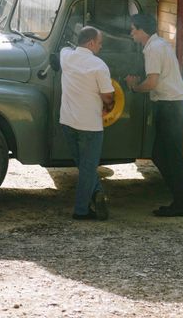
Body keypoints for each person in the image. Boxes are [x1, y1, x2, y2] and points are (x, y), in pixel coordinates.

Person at [125, 13, 183, 217]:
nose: (131, 33)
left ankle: (181, 203)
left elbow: (152, 83)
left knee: (169, 157)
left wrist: (134, 88)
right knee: (166, 155)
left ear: (141, 31)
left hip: (170, 106)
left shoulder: (153, 49)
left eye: (133, 29)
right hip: (174, 105)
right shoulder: (160, 44)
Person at [60, 26, 115, 220]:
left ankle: (97, 192)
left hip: (67, 121)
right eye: (99, 43)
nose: (100, 46)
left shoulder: (65, 56)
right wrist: (108, 109)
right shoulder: (99, 66)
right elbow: (108, 97)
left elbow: (64, 48)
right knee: (88, 168)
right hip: (90, 125)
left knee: (84, 166)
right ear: (91, 43)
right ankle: (81, 210)